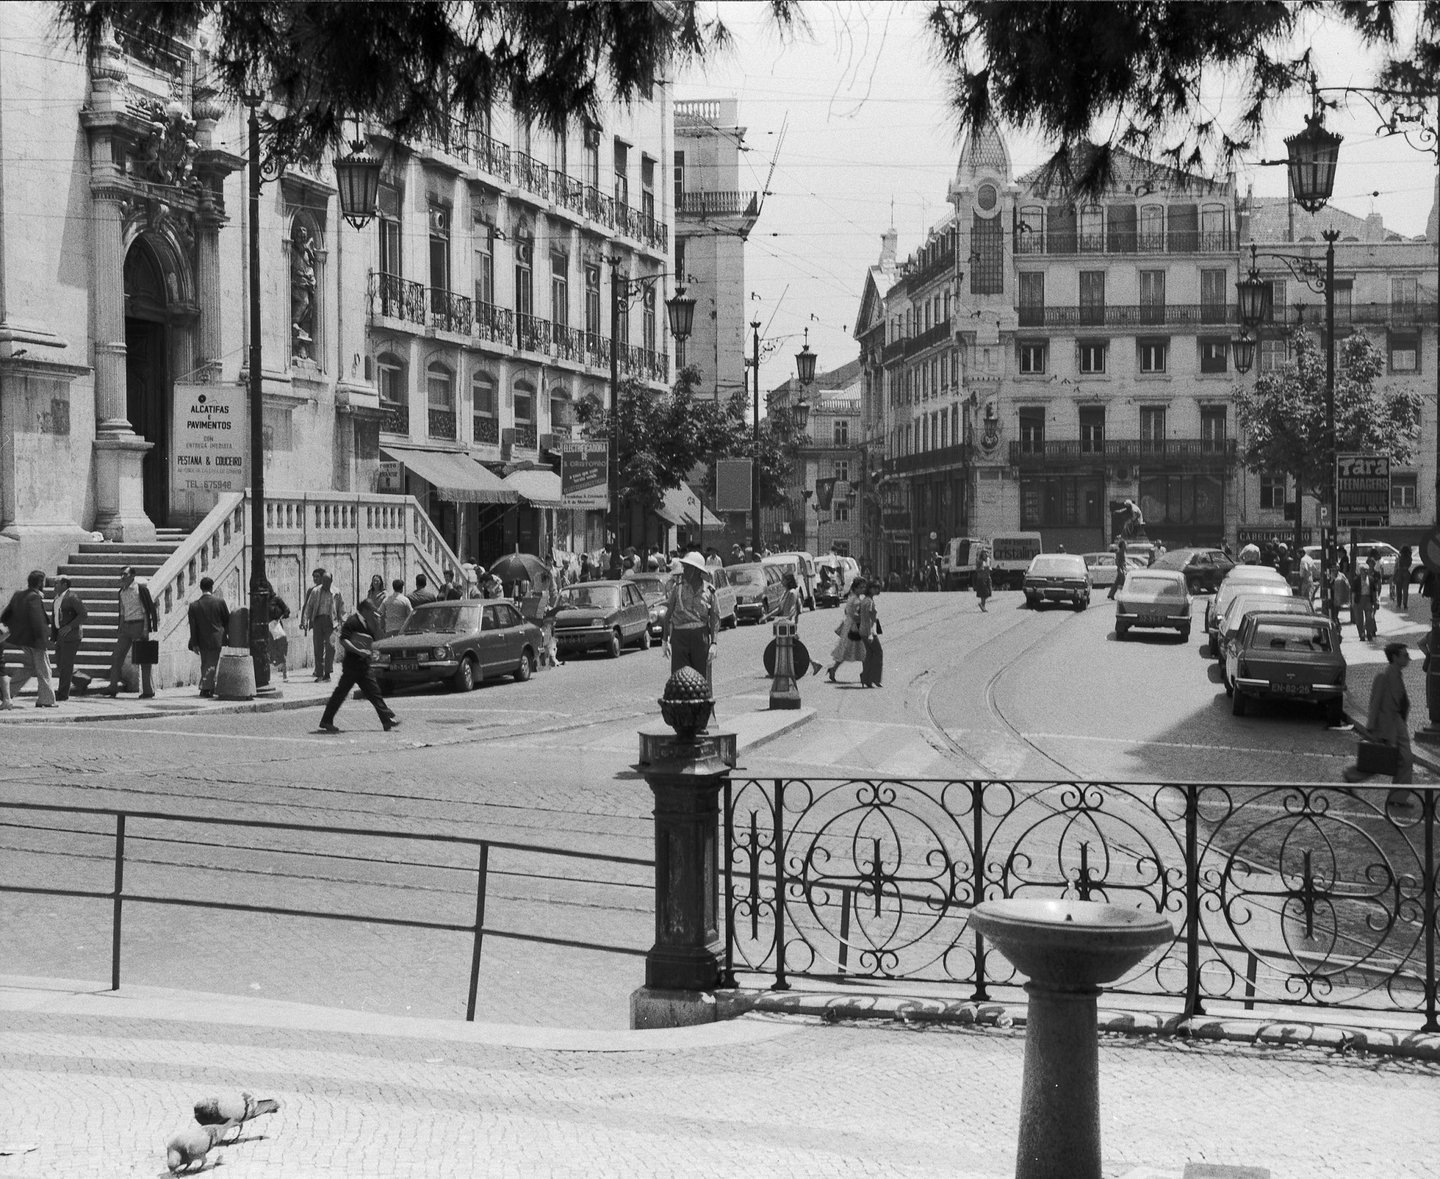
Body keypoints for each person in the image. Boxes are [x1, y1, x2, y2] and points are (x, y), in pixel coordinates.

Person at [318, 599, 399, 734]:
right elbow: (344, 640)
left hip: (363, 665)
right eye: (372, 610)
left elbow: (376, 638)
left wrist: (377, 624)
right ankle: (326, 720)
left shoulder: (368, 623)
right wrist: (358, 650)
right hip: (352, 665)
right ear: (365, 610)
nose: (374, 613)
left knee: (374, 692)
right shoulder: (352, 621)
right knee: (340, 693)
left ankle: (386, 720)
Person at [1346, 641, 1414, 785]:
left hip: (1397, 724)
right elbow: (1374, 704)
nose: (1409, 658)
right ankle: (1352, 775)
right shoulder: (1383, 677)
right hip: (1386, 726)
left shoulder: (1397, 676)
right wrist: (1370, 728)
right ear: (1395, 657)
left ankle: (1398, 797)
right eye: (1405, 655)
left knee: (1398, 759)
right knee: (1385, 759)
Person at [662, 551, 720, 685]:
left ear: (695, 570)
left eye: (687, 568)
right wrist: (665, 641)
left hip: (700, 638)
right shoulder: (678, 589)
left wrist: (714, 643)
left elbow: (714, 618)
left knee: (701, 680)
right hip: (680, 638)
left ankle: (704, 706)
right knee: (679, 679)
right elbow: (668, 615)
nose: (684, 571)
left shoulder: (709, 591)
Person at [2, 570, 57, 708]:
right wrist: (43, 640)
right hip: (36, 640)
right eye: (42, 582)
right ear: (39, 582)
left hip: (23, 640)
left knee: (29, 667)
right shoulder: (34, 597)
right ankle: (46, 699)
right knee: (44, 669)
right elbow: (36, 620)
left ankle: (6, 693)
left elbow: (5, 615)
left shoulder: (18, 595)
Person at [104, 565, 158, 698]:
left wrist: (145, 629)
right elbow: (122, 611)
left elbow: (146, 611)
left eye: (125, 574)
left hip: (139, 624)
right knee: (117, 656)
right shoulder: (121, 592)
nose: (122, 577)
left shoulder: (140, 590)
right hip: (126, 626)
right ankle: (112, 687)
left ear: (132, 576)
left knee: (144, 659)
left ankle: (148, 690)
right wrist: (120, 628)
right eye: (121, 574)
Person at [187, 576, 230, 697]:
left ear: (201, 588)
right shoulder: (220, 602)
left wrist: (194, 643)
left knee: (205, 662)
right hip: (217, 638)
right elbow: (227, 620)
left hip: (201, 640)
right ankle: (206, 687)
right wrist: (227, 636)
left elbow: (193, 627)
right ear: (212, 587)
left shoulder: (194, 606)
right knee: (211, 663)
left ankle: (207, 686)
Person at [826, 580, 874, 683]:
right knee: (856, 651)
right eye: (860, 587)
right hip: (853, 628)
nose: (863, 589)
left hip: (853, 626)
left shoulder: (855, 598)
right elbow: (853, 614)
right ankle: (865, 675)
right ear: (855, 588)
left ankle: (865, 674)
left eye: (864, 587)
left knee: (858, 651)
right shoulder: (853, 599)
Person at [300, 568, 342, 682]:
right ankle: (319, 673)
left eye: (327, 581)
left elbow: (341, 609)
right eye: (323, 581)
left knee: (330, 646)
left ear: (331, 581)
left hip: (331, 622)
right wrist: (304, 621)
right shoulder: (315, 591)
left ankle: (327, 672)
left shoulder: (336, 592)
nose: (325, 583)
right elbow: (309, 607)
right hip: (318, 621)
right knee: (318, 648)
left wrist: (343, 623)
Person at [50, 574, 87, 701]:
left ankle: (63, 693)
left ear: (64, 584)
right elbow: (55, 616)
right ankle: (82, 680)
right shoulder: (57, 598)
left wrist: (70, 626)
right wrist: (54, 634)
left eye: (56, 583)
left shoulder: (72, 597)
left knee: (66, 665)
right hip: (60, 636)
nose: (54, 585)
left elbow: (83, 614)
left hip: (71, 636)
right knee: (60, 663)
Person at [266, 579, 291, 682]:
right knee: (269, 650)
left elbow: (287, 611)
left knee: (281, 648)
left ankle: (285, 672)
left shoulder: (276, 599)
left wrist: (279, 618)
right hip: (266, 629)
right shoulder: (261, 601)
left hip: (276, 627)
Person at [860, 581, 883, 689]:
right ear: (870, 589)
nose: (877, 590)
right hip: (869, 631)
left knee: (869, 655)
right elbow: (868, 618)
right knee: (878, 652)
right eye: (875, 588)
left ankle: (866, 679)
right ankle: (875, 678)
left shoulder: (865, 600)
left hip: (863, 631)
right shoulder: (868, 601)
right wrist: (870, 634)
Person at [1354, 557, 1379, 641]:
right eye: (1363, 570)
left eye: (1366, 570)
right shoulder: (1356, 580)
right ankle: (1361, 634)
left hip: (1368, 600)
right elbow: (1353, 592)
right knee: (1359, 619)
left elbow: (1374, 591)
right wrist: (1352, 602)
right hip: (1359, 600)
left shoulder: (1371, 580)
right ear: (1360, 571)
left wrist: (1376, 601)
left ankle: (1369, 633)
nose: (1364, 572)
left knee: (1369, 618)